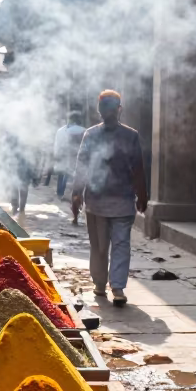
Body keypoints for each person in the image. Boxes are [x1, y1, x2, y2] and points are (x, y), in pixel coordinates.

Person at [71, 90, 148, 307]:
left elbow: (138, 168)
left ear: (117, 109)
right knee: (112, 245)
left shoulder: (97, 134)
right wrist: (77, 194)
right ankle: (111, 285)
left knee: (103, 246)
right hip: (104, 202)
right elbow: (83, 167)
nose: (108, 112)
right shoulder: (121, 135)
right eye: (106, 108)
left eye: (109, 108)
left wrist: (77, 195)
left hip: (112, 202)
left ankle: (109, 285)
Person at [53, 111, 87, 198]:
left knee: (63, 174)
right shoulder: (83, 130)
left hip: (65, 154)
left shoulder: (62, 130)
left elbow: (58, 143)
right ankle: (73, 194)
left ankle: (60, 193)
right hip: (77, 155)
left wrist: (56, 153)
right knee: (73, 174)